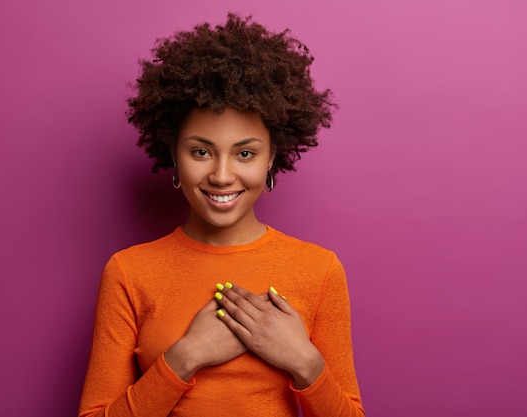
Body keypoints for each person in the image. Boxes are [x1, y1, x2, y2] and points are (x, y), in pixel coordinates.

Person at [79, 13, 364, 417]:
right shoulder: (129, 272)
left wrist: (303, 362)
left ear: (272, 159)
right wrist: (185, 357)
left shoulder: (320, 270)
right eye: (201, 151)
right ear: (173, 155)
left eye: (245, 153)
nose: (222, 175)